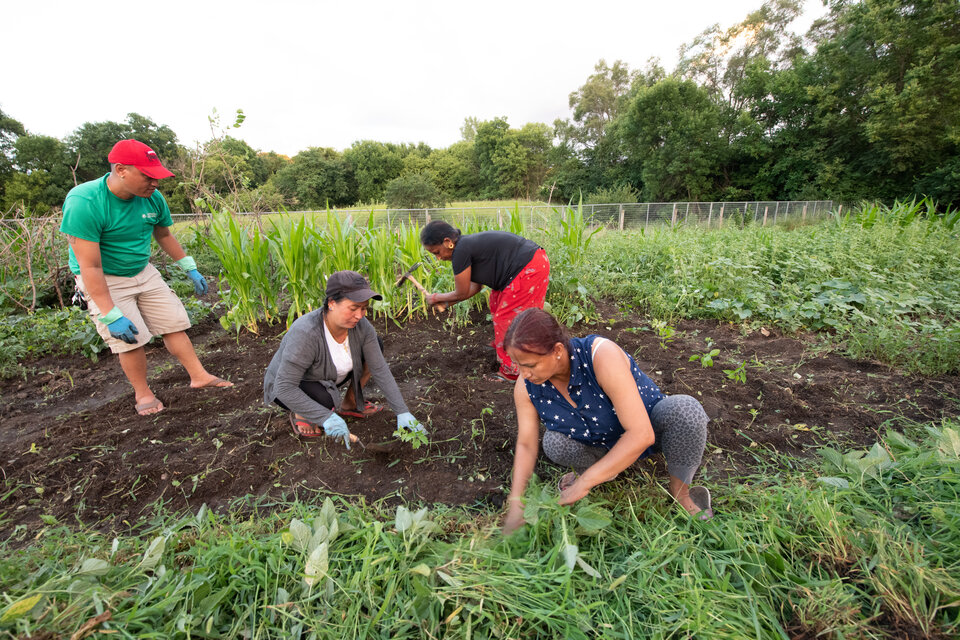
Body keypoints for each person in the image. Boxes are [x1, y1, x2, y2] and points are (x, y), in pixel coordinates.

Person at [60, 139, 233, 417]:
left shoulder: (153, 198)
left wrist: (189, 266)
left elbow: (164, 235)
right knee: (131, 339)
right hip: (104, 276)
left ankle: (200, 376)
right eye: (147, 176)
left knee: (173, 322)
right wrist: (109, 313)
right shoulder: (85, 201)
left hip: (142, 270)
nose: (154, 183)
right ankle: (143, 393)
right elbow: (90, 267)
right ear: (121, 170)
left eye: (157, 177)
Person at [501, 308, 711, 535]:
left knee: (686, 410)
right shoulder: (526, 387)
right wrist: (516, 503)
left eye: (530, 365)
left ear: (557, 350)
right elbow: (526, 444)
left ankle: (681, 494)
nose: (524, 373)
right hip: (598, 441)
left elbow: (642, 434)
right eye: (518, 364)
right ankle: (605, 469)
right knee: (554, 442)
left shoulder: (599, 355)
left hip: (646, 426)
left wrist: (583, 484)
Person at [263, 270, 423, 448]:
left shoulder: (362, 327)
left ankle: (350, 403)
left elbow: (380, 369)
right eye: (353, 308)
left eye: (364, 308)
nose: (359, 315)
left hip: (327, 376)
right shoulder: (306, 333)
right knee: (326, 402)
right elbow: (283, 387)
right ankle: (301, 413)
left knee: (375, 344)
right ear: (332, 303)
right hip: (291, 383)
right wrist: (326, 417)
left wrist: (402, 411)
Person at [420, 220, 549, 381]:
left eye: (436, 252)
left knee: (507, 319)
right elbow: (474, 288)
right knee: (495, 303)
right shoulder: (465, 247)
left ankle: (512, 371)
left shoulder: (461, 251)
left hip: (528, 267)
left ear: (447, 242)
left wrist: (436, 297)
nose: (438, 258)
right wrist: (446, 303)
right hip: (526, 266)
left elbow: (461, 292)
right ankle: (508, 347)